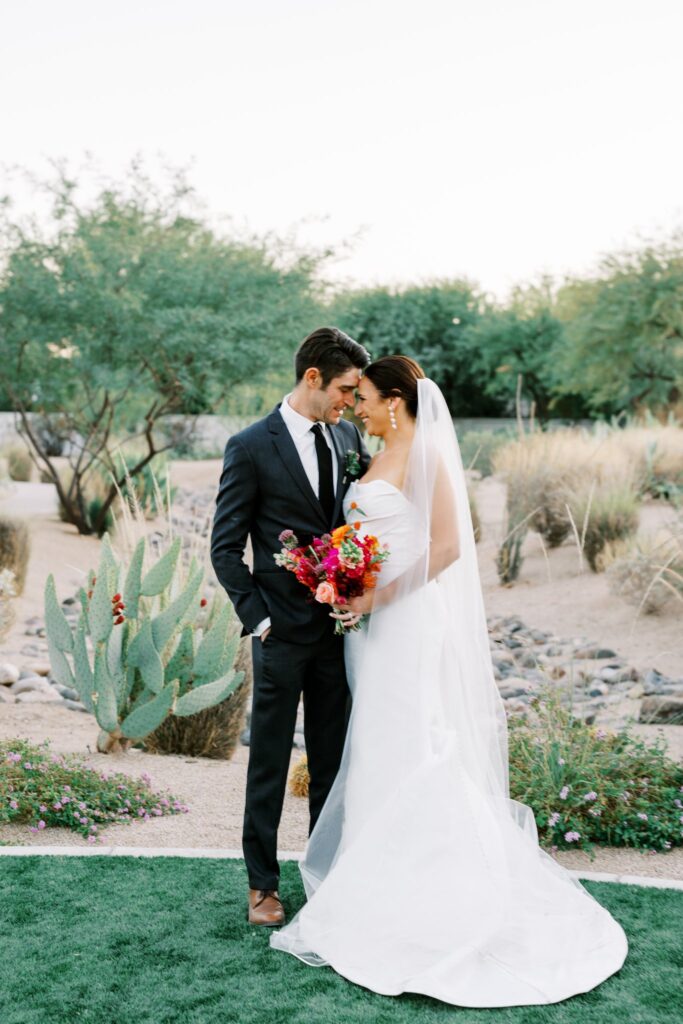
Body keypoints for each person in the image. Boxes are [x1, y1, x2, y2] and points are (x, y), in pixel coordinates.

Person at [270, 355, 628, 1008]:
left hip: (407, 622)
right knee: (379, 743)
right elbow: (370, 536)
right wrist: (340, 575)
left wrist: (372, 599)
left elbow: (443, 548)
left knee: (414, 741)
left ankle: (434, 898)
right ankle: (376, 887)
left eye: (369, 398)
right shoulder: (371, 453)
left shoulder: (425, 453)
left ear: (397, 402)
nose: (360, 407)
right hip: (369, 627)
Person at [210, 326, 371, 926]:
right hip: (280, 635)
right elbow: (225, 548)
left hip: (338, 633)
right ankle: (262, 886)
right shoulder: (251, 445)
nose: (350, 403)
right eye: (346, 390)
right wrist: (259, 619)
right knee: (270, 763)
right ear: (313, 379)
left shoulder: (349, 436)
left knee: (332, 762)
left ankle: (326, 876)